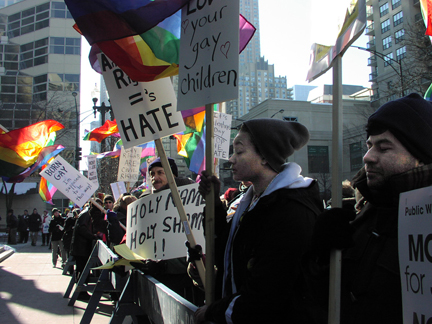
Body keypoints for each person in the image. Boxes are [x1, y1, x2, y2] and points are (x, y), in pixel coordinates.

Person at [313, 93, 432, 324]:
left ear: (421, 155)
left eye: (383, 148)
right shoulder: (369, 214)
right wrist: (320, 257)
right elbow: (325, 303)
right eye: (369, 146)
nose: (367, 157)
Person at [195, 118, 323, 323]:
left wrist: (214, 312)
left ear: (264, 156)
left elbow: (268, 292)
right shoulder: (250, 203)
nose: (231, 159)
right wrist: (214, 206)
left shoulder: (291, 210)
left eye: (239, 151)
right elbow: (226, 257)